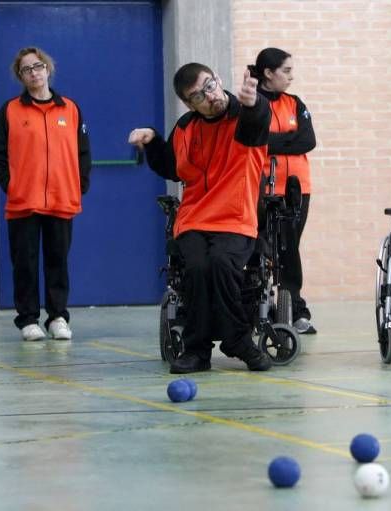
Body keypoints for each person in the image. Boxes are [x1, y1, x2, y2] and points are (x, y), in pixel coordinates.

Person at [128, 63, 273, 374]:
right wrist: (153, 140)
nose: (209, 97)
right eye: (197, 96)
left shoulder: (242, 117)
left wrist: (254, 102)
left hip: (235, 217)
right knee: (195, 267)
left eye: (210, 86)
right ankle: (197, 350)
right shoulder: (185, 127)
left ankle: (237, 339)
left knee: (222, 263)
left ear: (218, 80)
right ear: (188, 103)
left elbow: (256, 122)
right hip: (194, 218)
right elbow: (172, 167)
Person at [0, 47, 91, 342]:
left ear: (48, 68)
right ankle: (28, 319)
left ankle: (58, 317)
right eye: (26, 69)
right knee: (26, 263)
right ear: (20, 77)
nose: (34, 73)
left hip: (62, 199)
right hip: (24, 203)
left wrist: (78, 184)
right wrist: (15, 185)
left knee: (58, 261)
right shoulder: (10, 111)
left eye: (38, 66)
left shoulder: (70, 109)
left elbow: (83, 151)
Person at [248, 48, 318, 335]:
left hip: (296, 189)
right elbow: (253, 140)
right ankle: (254, 305)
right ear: (268, 73)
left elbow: (308, 140)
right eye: (286, 71)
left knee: (289, 248)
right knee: (259, 246)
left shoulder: (294, 103)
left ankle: (295, 309)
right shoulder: (253, 104)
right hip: (261, 189)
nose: (291, 76)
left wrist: (272, 141)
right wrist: (285, 140)